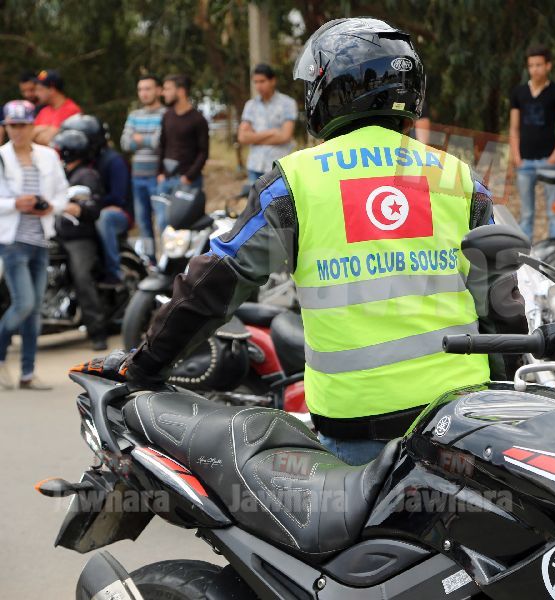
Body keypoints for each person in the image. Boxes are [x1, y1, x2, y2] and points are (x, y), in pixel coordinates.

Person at [82, 18, 494, 466]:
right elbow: (500, 302)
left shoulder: (296, 182)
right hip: (463, 420)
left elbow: (217, 281)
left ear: (332, 90)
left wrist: (146, 365)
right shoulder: (459, 178)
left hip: (359, 425)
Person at [0, 101, 68, 390]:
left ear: (32, 126)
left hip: (41, 240)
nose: (17, 131)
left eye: (23, 125)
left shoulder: (48, 156)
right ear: (6, 127)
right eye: (12, 126)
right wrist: (15, 204)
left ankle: (28, 373)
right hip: (12, 241)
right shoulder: (2, 157)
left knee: (34, 309)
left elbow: (63, 194)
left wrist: (50, 206)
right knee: (24, 304)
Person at [51, 129, 108, 350]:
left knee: (82, 278)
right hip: (55, 235)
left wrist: (76, 208)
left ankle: (97, 332)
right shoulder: (60, 174)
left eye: (60, 149)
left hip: (78, 238)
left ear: (69, 151)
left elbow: (93, 208)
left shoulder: (86, 176)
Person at [61, 115, 132, 284]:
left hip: (119, 212)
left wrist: (94, 205)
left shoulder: (114, 161)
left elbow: (118, 197)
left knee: (104, 218)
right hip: (93, 208)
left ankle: (113, 272)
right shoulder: (87, 161)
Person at [509, 45, 555, 240]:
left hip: (549, 160)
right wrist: (517, 157)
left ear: (548, 66)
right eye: (531, 65)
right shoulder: (519, 93)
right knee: (526, 213)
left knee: (554, 211)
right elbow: (514, 128)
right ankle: (524, 250)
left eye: (539, 65)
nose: (535, 69)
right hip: (525, 161)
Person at [156, 74, 208, 231]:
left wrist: (189, 177)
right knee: (163, 225)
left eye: (167, 89)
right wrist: (160, 173)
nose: (163, 93)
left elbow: (203, 152)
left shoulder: (198, 119)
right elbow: (162, 145)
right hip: (166, 180)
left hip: (189, 182)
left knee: (185, 227)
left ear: (181, 91)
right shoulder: (167, 116)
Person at [121, 75, 165, 256]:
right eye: (140, 89)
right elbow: (125, 143)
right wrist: (149, 139)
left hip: (158, 176)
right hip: (137, 177)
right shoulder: (134, 116)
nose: (144, 93)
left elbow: (160, 142)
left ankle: (168, 262)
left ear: (159, 90)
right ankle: (150, 261)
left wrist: (139, 139)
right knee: (143, 224)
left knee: (163, 222)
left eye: (148, 88)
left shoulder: (166, 114)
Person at [238, 63, 298, 183]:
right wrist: (272, 132)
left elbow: (285, 136)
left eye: (262, 81)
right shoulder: (250, 105)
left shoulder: (288, 103)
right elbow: (242, 137)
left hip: (278, 167)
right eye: (255, 82)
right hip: (255, 166)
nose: (258, 86)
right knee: (254, 196)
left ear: (272, 81)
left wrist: (254, 138)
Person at [32, 70, 81, 146]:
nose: (36, 94)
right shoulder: (44, 111)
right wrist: (47, 128)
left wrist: (38, 131)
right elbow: (27, 135)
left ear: (52, 90)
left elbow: (47, 139)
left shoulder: (71, 110)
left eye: (40, 89)